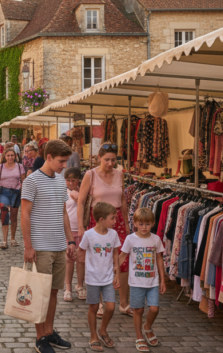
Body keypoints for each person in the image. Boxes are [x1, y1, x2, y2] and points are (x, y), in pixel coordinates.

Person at [21, 139, 75, 353]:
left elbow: (63, 213)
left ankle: (49, 331)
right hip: (40, 246)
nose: (64, 166)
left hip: (59, 245)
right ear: (49, 157)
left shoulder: (61, 181)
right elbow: (24, 214)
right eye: (62, 161)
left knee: (53, 292)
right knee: (40, 293)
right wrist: (28, 246)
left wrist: (70, 240)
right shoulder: (32, 181)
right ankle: (40, 337)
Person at [77, 141, 133, 317]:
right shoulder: (91, 174)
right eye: (106, 159)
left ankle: (124, 303)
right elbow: (81, 201)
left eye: (113, 160)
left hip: (117, 220)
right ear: (99, 158)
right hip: (98, 220)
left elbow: (123, 200)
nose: (110, 163)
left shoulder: (119, 174)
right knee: (100, 260)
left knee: (123, 261)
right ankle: (100, 303)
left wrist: (126, 222)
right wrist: (80, 226)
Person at [119, 208, 166, 352]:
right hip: (136, 282)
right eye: (141, 224)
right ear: (135, 223)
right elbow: (122, 256)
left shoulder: (155, 239)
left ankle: (147, 327)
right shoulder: (130, 239)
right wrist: (113, 271)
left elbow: (159, 259)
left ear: (152, 223)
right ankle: (139, 336)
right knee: (138, 310)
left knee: (154, 308)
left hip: (153, 282)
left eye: (147, 224)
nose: (144, 227)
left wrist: (163, 280)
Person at [77, 202, 121, 351]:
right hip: (93, 278)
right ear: (101, 219)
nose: (115, 221)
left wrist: (117, 272)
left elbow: (115, 252)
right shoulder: (89, 235)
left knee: (110, 306)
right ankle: (93, 335)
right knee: (94, 307)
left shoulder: (113, 234)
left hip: (108, 277)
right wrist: (82, 273)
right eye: (113, 218)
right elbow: (81, 251)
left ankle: (103, 330)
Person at [0, 147, 25, 249]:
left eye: (12, 155)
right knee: (4, 214)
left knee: (14, 216)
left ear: (15, 156)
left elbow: (24, 182)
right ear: (5, 157)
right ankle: (4, 240)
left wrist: (24, 195)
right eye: (8, 155)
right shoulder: (1, 167)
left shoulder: (19, 167)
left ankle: (13, 239)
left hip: (16, 192)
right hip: (4, 192)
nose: (10, 157)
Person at [63, 167, 85, 301]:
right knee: (69, 259)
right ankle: (68, 288)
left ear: (78, 180)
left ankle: (80, 285)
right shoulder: (63, 193)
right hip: (69, 231)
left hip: (81, 229)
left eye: (73, 180)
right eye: (68, 180)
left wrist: (79, 198)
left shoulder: (84, 192)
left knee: (81, 260)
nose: (70, 183)